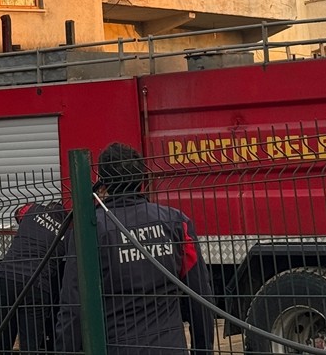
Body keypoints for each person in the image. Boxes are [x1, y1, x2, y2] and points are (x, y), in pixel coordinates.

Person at [55, 142, 214, 355]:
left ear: (103, 182)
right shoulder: (176, 222)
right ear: (141, 178)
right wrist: (203, 350)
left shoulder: (90, 230)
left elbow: (74, 306)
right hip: (170, 348)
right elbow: (200, 296)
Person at [0, 200, 69, 352]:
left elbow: (18, 213)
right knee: (30, 342)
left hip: (7, 276)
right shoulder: (68, 233)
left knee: (2, 337)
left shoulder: (32, 209)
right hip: (37, 284)